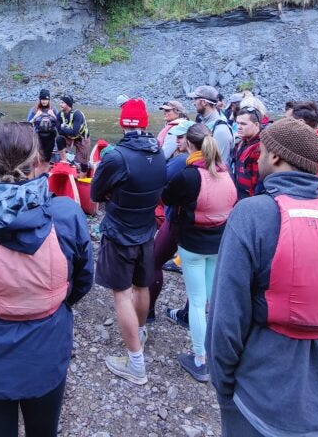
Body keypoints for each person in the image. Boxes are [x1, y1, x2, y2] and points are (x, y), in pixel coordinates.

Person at [208, 118, 318, 436]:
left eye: (262, 150)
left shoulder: (250, 215)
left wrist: (224, 387)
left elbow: (226, 320)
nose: (258, 156)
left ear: (275, 157)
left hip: (259, 403)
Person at [0, 122, 94, 437]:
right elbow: (81, 282)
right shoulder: (67, 215)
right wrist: (50, 303)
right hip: (47, 351)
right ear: (40, 158)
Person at [90, 98, 167, 386]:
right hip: (146, 230)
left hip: (120, 232)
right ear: (146, 122)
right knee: (141, 286)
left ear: (123, 123)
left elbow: (96, 193)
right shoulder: (160, 152)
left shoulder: (116, 156)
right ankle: (141, 330)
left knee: (121, 294)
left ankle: (135, 364)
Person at [162, 123, 236, 383]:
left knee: (195, 301)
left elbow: (167, 198)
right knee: (206, 299)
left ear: (190, 145)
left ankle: (200, 359)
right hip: (218, 243)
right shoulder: (225, 172)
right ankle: (213, 352)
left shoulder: (188, 175)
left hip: (192, 244)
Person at [147, 118, 194, 322]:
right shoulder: (217, 163)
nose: (177, 141)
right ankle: (189, 315)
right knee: (197, 275)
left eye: (181, 138)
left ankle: (147, 310)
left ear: (189, 141)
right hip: (204, 228)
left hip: (176, 220)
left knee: (154, 261)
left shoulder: (181, 161)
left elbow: (160, 182)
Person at [186, 86, 235, 168]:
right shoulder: (206, 123)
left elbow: (219, 166)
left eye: (195, 99)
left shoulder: (220, 130)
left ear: (204, 102)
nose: (193, 103)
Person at [231, 106, 263, 199]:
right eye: (237, 123)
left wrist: (251, 202)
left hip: (250, 199)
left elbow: (257, 181)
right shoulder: (243, 142)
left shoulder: (260, 148)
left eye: (243, 124)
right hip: (240, 194)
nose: (239, 127)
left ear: (256, 125)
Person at [57, 94, 90, 167]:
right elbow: (59, 132)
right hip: (69, 137)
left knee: (83, 164)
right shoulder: (59, 115)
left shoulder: (77, 114)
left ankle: (82, 172)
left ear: (68, 104)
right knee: (59, 139)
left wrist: (63, 128)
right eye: (60, 102)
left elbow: (75, 132)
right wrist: (65, 130)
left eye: (62, 102)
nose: (60, 104)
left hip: (82, 139)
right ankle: (64, 161)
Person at [27, 89, 59, 164]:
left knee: (47, 158)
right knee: (39, 158)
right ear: (40, 99)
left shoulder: (53, 110)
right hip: (38, 136)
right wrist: (35, 117)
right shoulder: (34, 110)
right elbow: (28, 124)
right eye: (42, 99)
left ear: (49, 100)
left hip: (51, 137)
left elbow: (59, 125)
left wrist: (54, 116)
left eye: (46, 99)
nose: (44, 101)